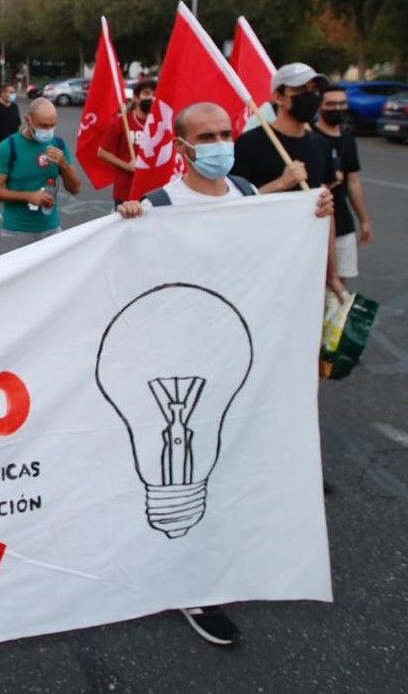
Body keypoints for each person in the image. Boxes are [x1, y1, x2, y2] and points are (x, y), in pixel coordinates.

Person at [114, 101, 337, 649]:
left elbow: (269, 246)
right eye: (206, 136)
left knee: (234, 466)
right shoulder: (162, 204)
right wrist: (130, 222)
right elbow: (130, 274)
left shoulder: (245, 195)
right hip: (179, 360)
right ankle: (192, 585)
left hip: (236, 357)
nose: (218, 143)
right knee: (185, 469)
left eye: (224, 133)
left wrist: (311, 209)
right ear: (183, 146)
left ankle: (227, 562)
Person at [229, 62, 345, 294]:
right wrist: (281, 184)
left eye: (314, 91)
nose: (310, 97)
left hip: (307, 262)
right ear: (278, 97)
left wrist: (332, 275)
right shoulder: (250, 143)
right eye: (301, 91)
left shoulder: (320, 143)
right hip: (262, 261)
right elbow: (233, 205)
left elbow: (326, 210)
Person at [0, 97, 82, 253]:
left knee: (56, 275)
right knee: (18, 277)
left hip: (51, 228)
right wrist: (28, 196)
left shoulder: (58, 144)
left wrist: (64, 164)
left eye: (53, 125)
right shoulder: (8, 147)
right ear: (28, 120)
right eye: (43, 126)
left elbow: (75, 189)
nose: (48, 131)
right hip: (17, 231)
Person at [314, 84, 372, 280]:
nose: (338, 109)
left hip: (343, 223)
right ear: (320, 106)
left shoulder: (348, 139)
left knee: (341, 284)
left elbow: (354, 182)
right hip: (316, 223)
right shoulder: (310, 138)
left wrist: (364, 220)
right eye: (331, 104)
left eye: (342, 104)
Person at [98, 80, 155, 208]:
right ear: (136, 98)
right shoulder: (121, 122)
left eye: (154, 94)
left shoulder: (161, 124)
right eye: (146, 93)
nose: (151, 97)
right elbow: (102, 152)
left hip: (153, 191)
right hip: (126, 191)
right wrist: (127, 166)